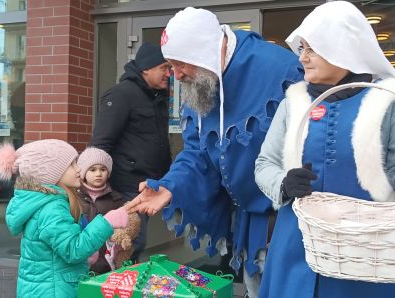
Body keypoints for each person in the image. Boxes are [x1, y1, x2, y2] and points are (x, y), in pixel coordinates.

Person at [254, 1, 395, 298]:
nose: (302, 57)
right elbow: (265, 164)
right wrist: (284, 183)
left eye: (311, 48)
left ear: (342, 48)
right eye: (301, 48)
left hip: (370, 253)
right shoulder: (293, 102)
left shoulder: (389, 101)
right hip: (297, 249)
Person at [127, 7, 303, 297]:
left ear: (206, 51)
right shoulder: (202, 84)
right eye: (170, 65)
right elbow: (197, 153)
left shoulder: (281, 70)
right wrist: (170, 187)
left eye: (181, 63)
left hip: (289, 219)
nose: (177, 75)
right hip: (249, 219)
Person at [0, 139, 129, 298]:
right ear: (51, 173)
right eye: (72, 165)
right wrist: (107, 222)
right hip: (54, 291)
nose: (78, 169)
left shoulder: (44, 202)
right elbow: (73, 250)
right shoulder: (52, 208)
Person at [91, 42, 172, 262]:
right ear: (146, 68)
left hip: (149, 186)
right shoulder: (121, 95)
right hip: (125, 187)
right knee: (127, 244)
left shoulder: (158, 97)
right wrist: (99, 187)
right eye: (164, 67)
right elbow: (100, 144)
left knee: (135, 243)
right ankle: (116, 289)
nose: (169, 73)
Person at [76, 146, 127, 274]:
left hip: (106, 263)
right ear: (83, 173)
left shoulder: (116, 199)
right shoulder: (74, 198)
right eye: (92, 170)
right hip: (79, 261)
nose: (98, 174)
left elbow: (126, 228)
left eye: (103, 169)